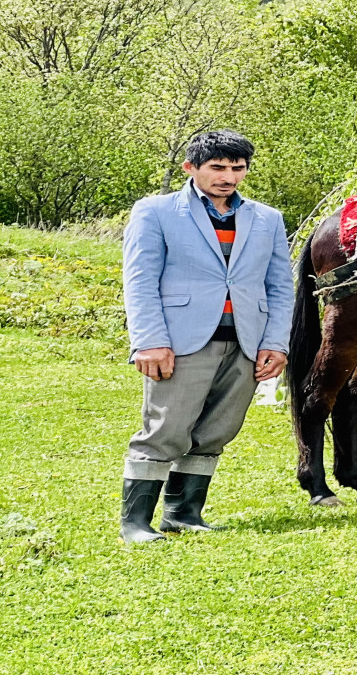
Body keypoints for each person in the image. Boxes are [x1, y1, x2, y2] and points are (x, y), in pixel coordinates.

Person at [118, 131, 293, 543]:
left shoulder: (267, 218)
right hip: (179, 342)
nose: (228, 177)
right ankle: (135, 523)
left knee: (217, 430)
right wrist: (148, 340)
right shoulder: (156, 211)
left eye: (238, 168)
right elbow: (140, 280)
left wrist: (276, 343)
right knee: (166, 429)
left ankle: (183, 513)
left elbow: (280, 287)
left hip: (247, 343)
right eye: (217, 167)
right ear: (191, 168)